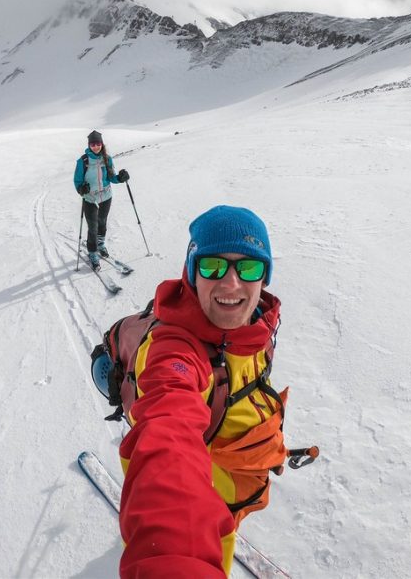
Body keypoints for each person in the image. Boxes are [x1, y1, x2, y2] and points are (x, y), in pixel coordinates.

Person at [118, 205, 287, 578]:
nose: (231, 284)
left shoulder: (256, 326)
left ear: (265, 278)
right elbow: (170, 429)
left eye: (249, 268)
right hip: (200, 488)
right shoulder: (175, 350)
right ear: (192, 273)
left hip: (231, 473)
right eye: (212, 266)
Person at [74, 130, 129, 270]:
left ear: (101, 144)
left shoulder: (107, 159)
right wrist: (81, 189)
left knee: (102, 222)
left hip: (105, 195)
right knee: (93, 227)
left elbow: (111, 177)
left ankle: (101, 244)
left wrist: (120, 178)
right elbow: (77, 180)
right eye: (93, 144)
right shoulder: (83, 161)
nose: (96, 146)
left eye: (98, 143)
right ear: (89, 145)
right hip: (90, 198)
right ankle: (92, 252)